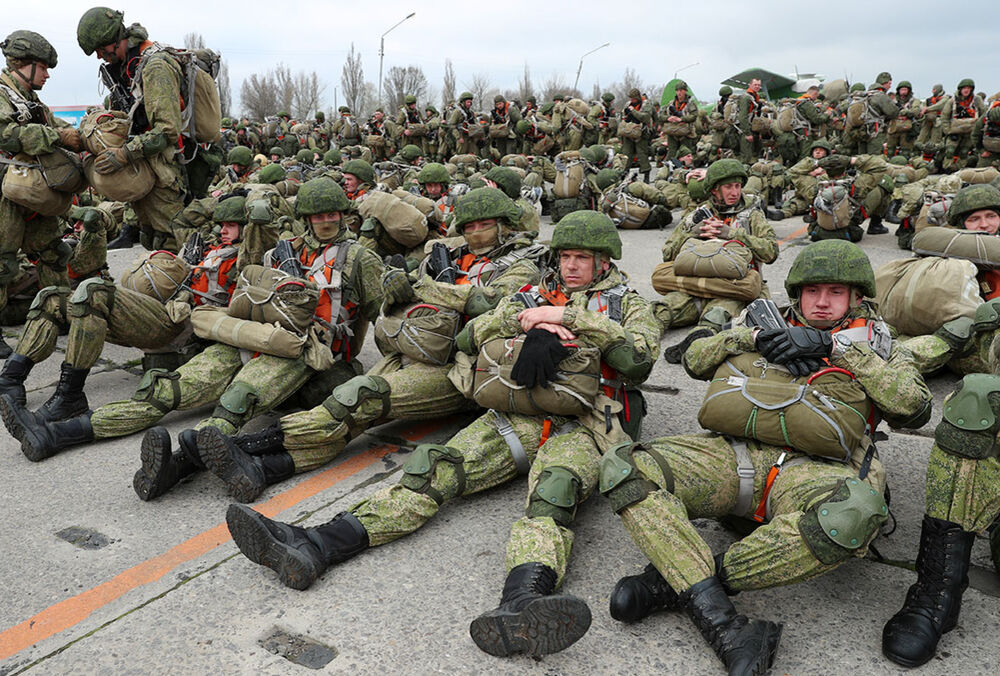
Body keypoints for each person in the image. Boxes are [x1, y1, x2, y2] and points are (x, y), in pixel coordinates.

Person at [224, 211, 660, 659]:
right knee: (434, 469)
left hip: (590, 420)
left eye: (581, 258)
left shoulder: (628, 305)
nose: (570, 266)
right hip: (524, 410)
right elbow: (470, 337)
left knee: (554, 491)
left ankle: (524, 600)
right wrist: (531, 322)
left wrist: (572, 319)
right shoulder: (532, 295)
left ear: (603, 262)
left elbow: (638, 361)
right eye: (565, 256)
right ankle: (317, 543)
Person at [606, 239, 932, 675]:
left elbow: (914, 407)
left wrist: (836, 349)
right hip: (734, 454)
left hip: (818, 470)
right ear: (797, 293)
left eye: (835, 292)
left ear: (856, 297)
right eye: (812, 291)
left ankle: (679, 581)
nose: (821, 301)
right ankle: (721, 619)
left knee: (852, 516)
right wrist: (754, 337)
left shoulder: (880, 343)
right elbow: (695, 360)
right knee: (625, 467)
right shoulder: (762, 320)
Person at [188, 187, 547, 503]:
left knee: (359, 397)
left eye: (485, 224)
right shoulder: (450, 256)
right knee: (349, 413)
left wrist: (419, 287)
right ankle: (263, 468)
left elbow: (487, 301)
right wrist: (399, 290)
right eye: (469, 226)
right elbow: (396, 308)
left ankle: (246, 447)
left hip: (464, 368)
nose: (475, 232)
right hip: (417, 348)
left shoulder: (523, 264)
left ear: (505, 225)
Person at [75, 7, 220, 252]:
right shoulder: (128, 68)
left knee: (174, 242)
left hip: (166, 168)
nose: (100, 56)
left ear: (114, 39)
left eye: (100, 49)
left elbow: (167, 131)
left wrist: (124, 154)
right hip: (149, 164)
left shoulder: (155, 67)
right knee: (152, 239)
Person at [0, 30, 82, 359]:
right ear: (25, 64)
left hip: (31, 188)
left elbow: (52, 124)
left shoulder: (30, 101)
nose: (47, 74)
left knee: (53, 251)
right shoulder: (2, 94)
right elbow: (6, 134)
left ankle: (59, 313)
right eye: (44, 67)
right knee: (3, 263)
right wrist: (58, 137)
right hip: (5, 191)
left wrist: (81, 134)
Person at [657, 159, 778, 361]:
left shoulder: (751, 215)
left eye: (738, 186)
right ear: (714, 190)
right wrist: (692, 233)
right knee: (664, 309)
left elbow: (771, 252)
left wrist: (732, 233)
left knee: (716, 315)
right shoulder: (698, 215)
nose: (735, 192)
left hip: (735, 287)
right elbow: (668, 254)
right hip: (698, 284)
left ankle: (696, 345)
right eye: (728, 187)